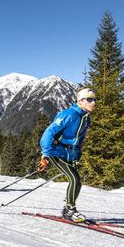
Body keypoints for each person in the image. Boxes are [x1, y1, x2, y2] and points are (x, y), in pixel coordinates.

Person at [39, 87, 97, 222]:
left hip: (70, 154)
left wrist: (77, 155)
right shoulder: (69, 114)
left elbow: (79, 140)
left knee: (77, 182)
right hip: (56, 152)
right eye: (89, 100)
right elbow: (49, 132)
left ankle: (67, 209)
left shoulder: (86, 118)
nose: (93, 102)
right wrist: (45, 154)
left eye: (94, 99)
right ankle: (70, 210)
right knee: (74, 179)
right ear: (80, 101)